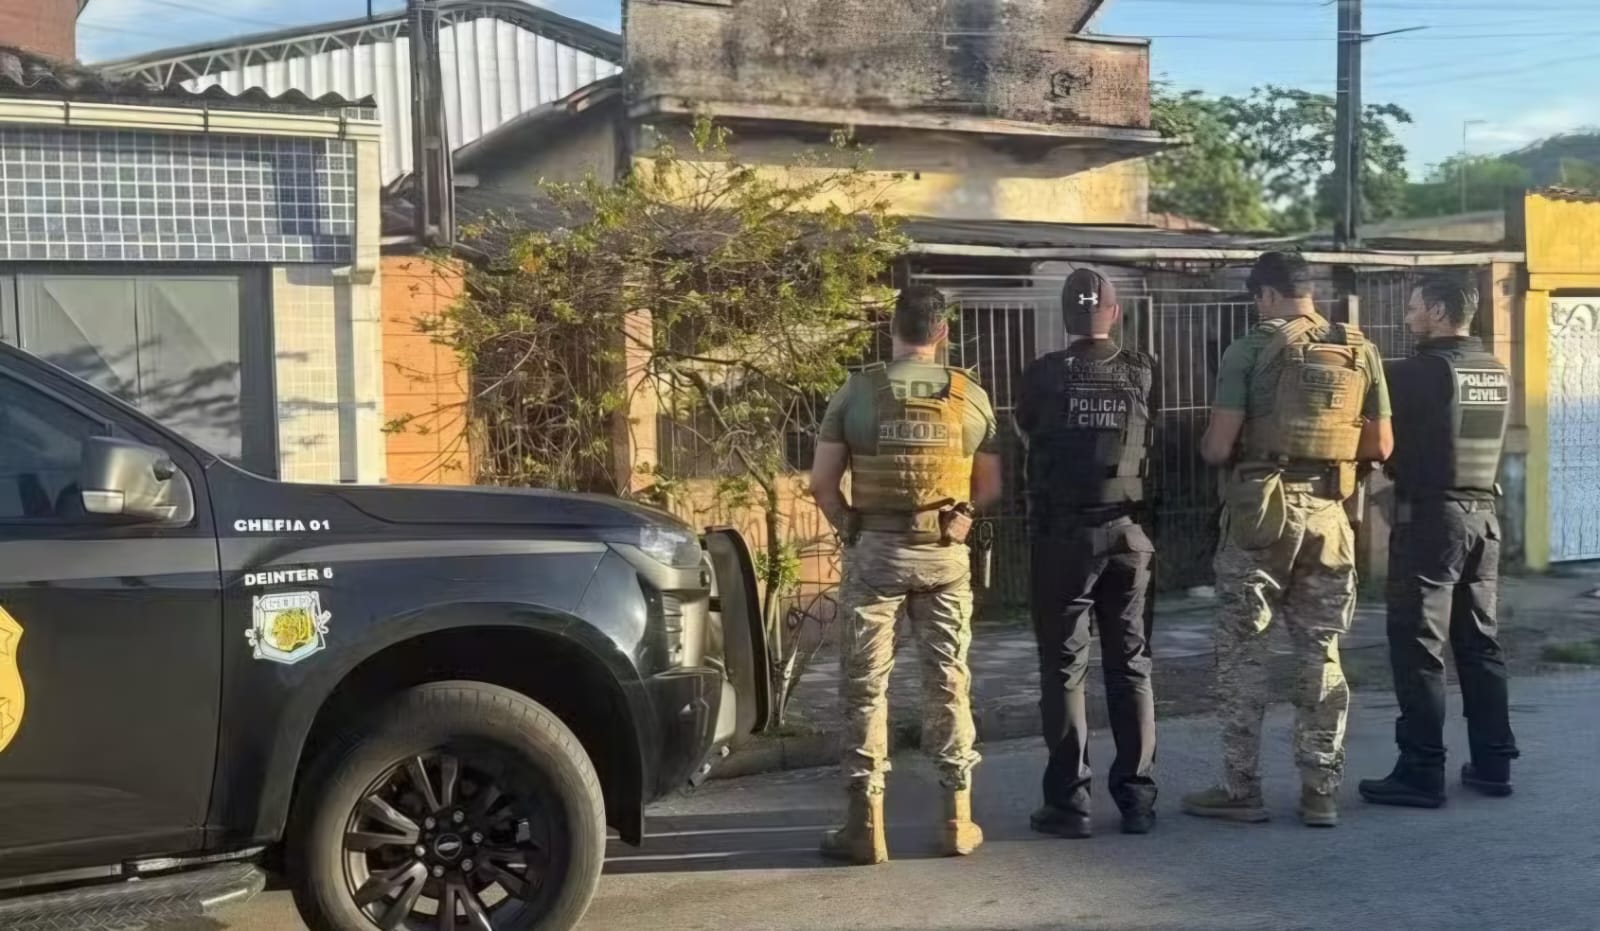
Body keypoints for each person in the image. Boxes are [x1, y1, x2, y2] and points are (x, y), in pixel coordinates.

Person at [1182, 251, 1393, 828]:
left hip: (1261, 515)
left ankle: (1241, 789)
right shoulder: (1360, 350)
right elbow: (1381, 445)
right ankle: (1320, 790)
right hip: (1329, 515)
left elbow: (1219, 447)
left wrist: (1213, 447)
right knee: (1321, 651)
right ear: (1310, 290)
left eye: (1258, 298)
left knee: (1243, 651)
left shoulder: (1249, 349)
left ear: (1268, 295)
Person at [808, 284, 1004, 865]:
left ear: (890, 328)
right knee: (948, 682)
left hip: (877, 554)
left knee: (865, 687)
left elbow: (822, 485)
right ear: (942, 332)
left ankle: (865, 827)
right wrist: (964, 516)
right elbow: (989, 486)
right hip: (944, 556)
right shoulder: (971, 396)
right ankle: (957, 821)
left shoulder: (857, 392)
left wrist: (851, 528)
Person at [1358, 275, 1519, 808]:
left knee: (1419, 646)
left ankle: (1421, 770)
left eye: (1413, 308)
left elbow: (1377, 437)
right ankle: (1494, 763)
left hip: (1432, 522)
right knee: (1481, 644)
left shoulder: (1415, 373)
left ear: (1437, 311)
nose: (1407, 317)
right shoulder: (1494, 369)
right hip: (1485, 520)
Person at [1014, 268, 1158, 838]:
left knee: (1063, 669)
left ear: (1064, 318)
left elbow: (1028, 434)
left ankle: (1070, 805)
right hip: (1128, 536)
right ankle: (1138, 801)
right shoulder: (1143, 370)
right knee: (1131, 666)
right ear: (1114, 314)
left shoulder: (1043, 374)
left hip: (1064, 539)